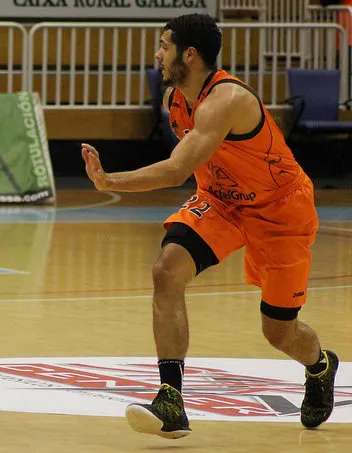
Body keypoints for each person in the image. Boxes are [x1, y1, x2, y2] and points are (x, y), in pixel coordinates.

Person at [82, 14, 338, 439]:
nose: (157, 55)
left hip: (280, 212)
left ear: (189, 54)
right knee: (166, 270)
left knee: (278, 332)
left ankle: (320, 365)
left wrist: (110, 181)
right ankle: (171, 400)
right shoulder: (175, 99)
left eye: (164, 46)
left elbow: (176, 169)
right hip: (222, 201)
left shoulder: (227, 99)